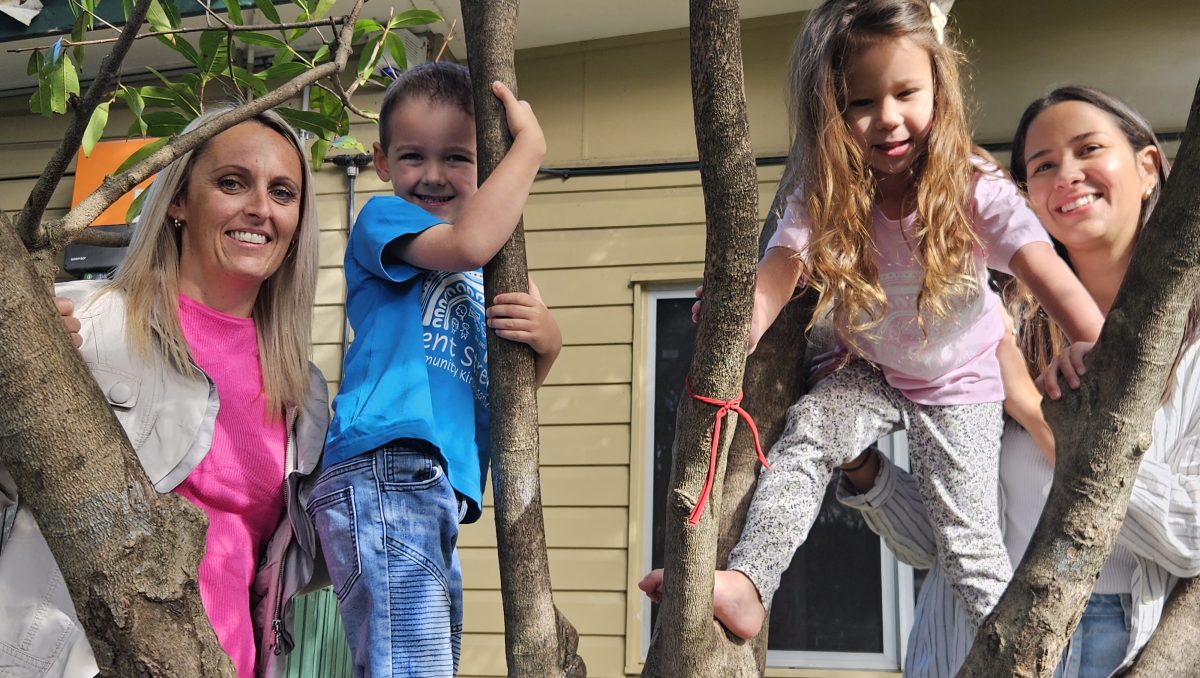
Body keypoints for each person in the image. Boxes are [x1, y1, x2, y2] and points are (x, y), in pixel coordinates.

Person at [640, 0, 1104, 639]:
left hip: (960, 382)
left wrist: (1090, 339)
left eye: (907, 92)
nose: (887, 118)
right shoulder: (830, 190)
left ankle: (1013, 653)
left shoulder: (971, 187)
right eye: (860, 103)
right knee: (807, 432)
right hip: (877, 367)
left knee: (968, 544)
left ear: (939, 90)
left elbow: (1043, 269)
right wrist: (741, 322)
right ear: (832, 113)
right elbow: (781, 265)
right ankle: (751, 581)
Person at [838, 86, 1196, 678]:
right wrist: (861, 467)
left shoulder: (1194, 349)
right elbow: (938, 539)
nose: (1067, 175)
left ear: (1148, 166)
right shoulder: (995, 321)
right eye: (1043, 166)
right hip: (974, 631)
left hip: (1115, 640)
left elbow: (1192, 536)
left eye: (1089, 150)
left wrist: (1034, 411)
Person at [0, 107, 329, 678]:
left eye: (283, 192)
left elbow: (313, 557)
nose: (259, 208)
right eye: (232, 182)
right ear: (179, 200)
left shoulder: (303, 389)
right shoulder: (85, 319)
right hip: (76, 663)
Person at [309, 61, 557, 676]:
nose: (435, 174)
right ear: (382, 161)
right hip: (386, 464)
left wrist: (548, 343)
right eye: (414, 155)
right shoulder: (384, 221)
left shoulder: (490, 273)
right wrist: (531, 149)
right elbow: (467, 240)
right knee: (409, 665)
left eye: (459, 157)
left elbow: (506, 391)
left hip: (435, 483)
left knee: (424, 661)